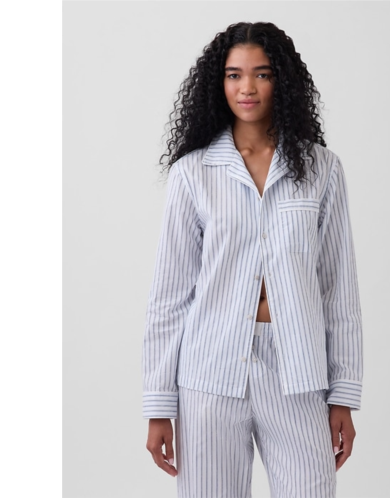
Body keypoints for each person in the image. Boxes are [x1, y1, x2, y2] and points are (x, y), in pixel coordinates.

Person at [143, 22, 363, 498]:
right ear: (218, 83)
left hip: (298, 374)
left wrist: (343, 395)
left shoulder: (322, 170)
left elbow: (338, 290)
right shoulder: (193, 173)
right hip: (209, 375)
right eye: (234, 75)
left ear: (281, 81)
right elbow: (170, 296)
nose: (247, 87)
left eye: (262, 74)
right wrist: (159, 405)